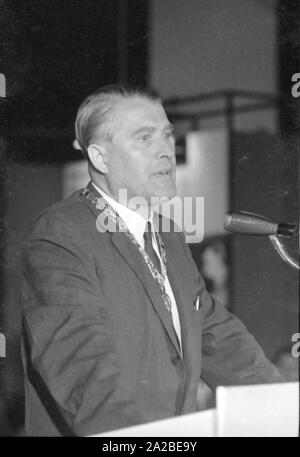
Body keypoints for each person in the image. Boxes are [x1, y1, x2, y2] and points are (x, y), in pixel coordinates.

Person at [21, 84, 283, 437]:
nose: (165, 151)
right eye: (144, 139)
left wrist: (280, 404)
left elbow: (215, 334)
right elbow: (78, 360)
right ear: (100, 158)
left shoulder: (167, 235)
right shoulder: (61, 233)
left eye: (166, 135)